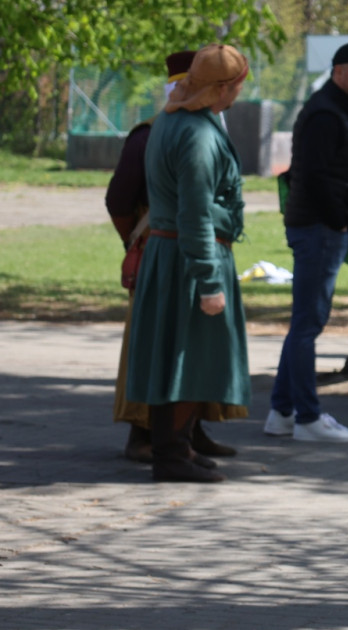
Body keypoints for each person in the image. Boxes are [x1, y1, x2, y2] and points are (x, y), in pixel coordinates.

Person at [106, 51, 244, 464]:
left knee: (184, 352)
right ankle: (163, 446)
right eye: (236, 83)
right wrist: (205, 276)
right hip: (181, 253)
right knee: (177, 352)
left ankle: (182, 439)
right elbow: (190, 210)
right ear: (219, 88)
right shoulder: (187, 132)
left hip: (175, 248)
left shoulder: (180, 124)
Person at [264, 42, 348, 443]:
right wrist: (339, 220)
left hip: (324, 228)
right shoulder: (324, 114)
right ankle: (307, 417)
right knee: (307, 325)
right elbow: (312, 176)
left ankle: (282, 412)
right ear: (338, 73)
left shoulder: (337, 112)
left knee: (304, 323)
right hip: (319, 229)